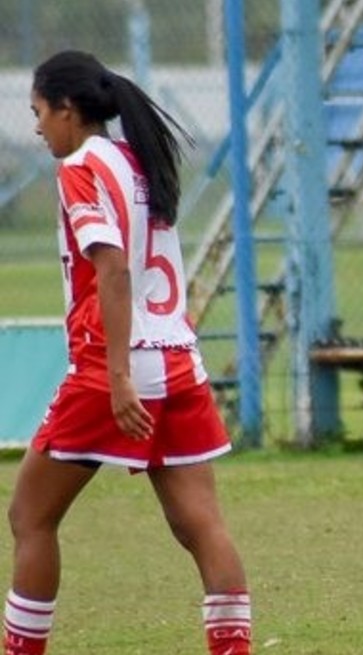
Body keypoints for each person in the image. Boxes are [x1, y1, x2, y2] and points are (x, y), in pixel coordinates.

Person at [4, 51, 252, 655]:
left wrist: (117, 377)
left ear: (67, 110)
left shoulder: (82, 169)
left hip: (113, 365)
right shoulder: (139, 160)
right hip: (177, 360)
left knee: (29, 517)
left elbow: (112, 268)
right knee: (202, 526)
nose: (36, 128)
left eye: (39, 112)